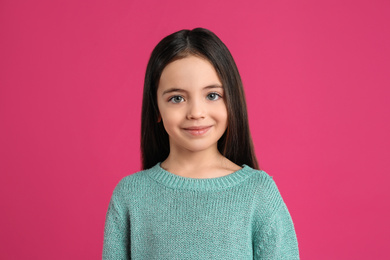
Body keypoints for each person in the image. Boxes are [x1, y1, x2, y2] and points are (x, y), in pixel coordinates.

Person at [103, 28, 299, 259]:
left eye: (212, 95)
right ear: (156, 108)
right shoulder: (130, 196)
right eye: (177, 98)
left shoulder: (258, 192)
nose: (196, 112)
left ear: (231, 101)